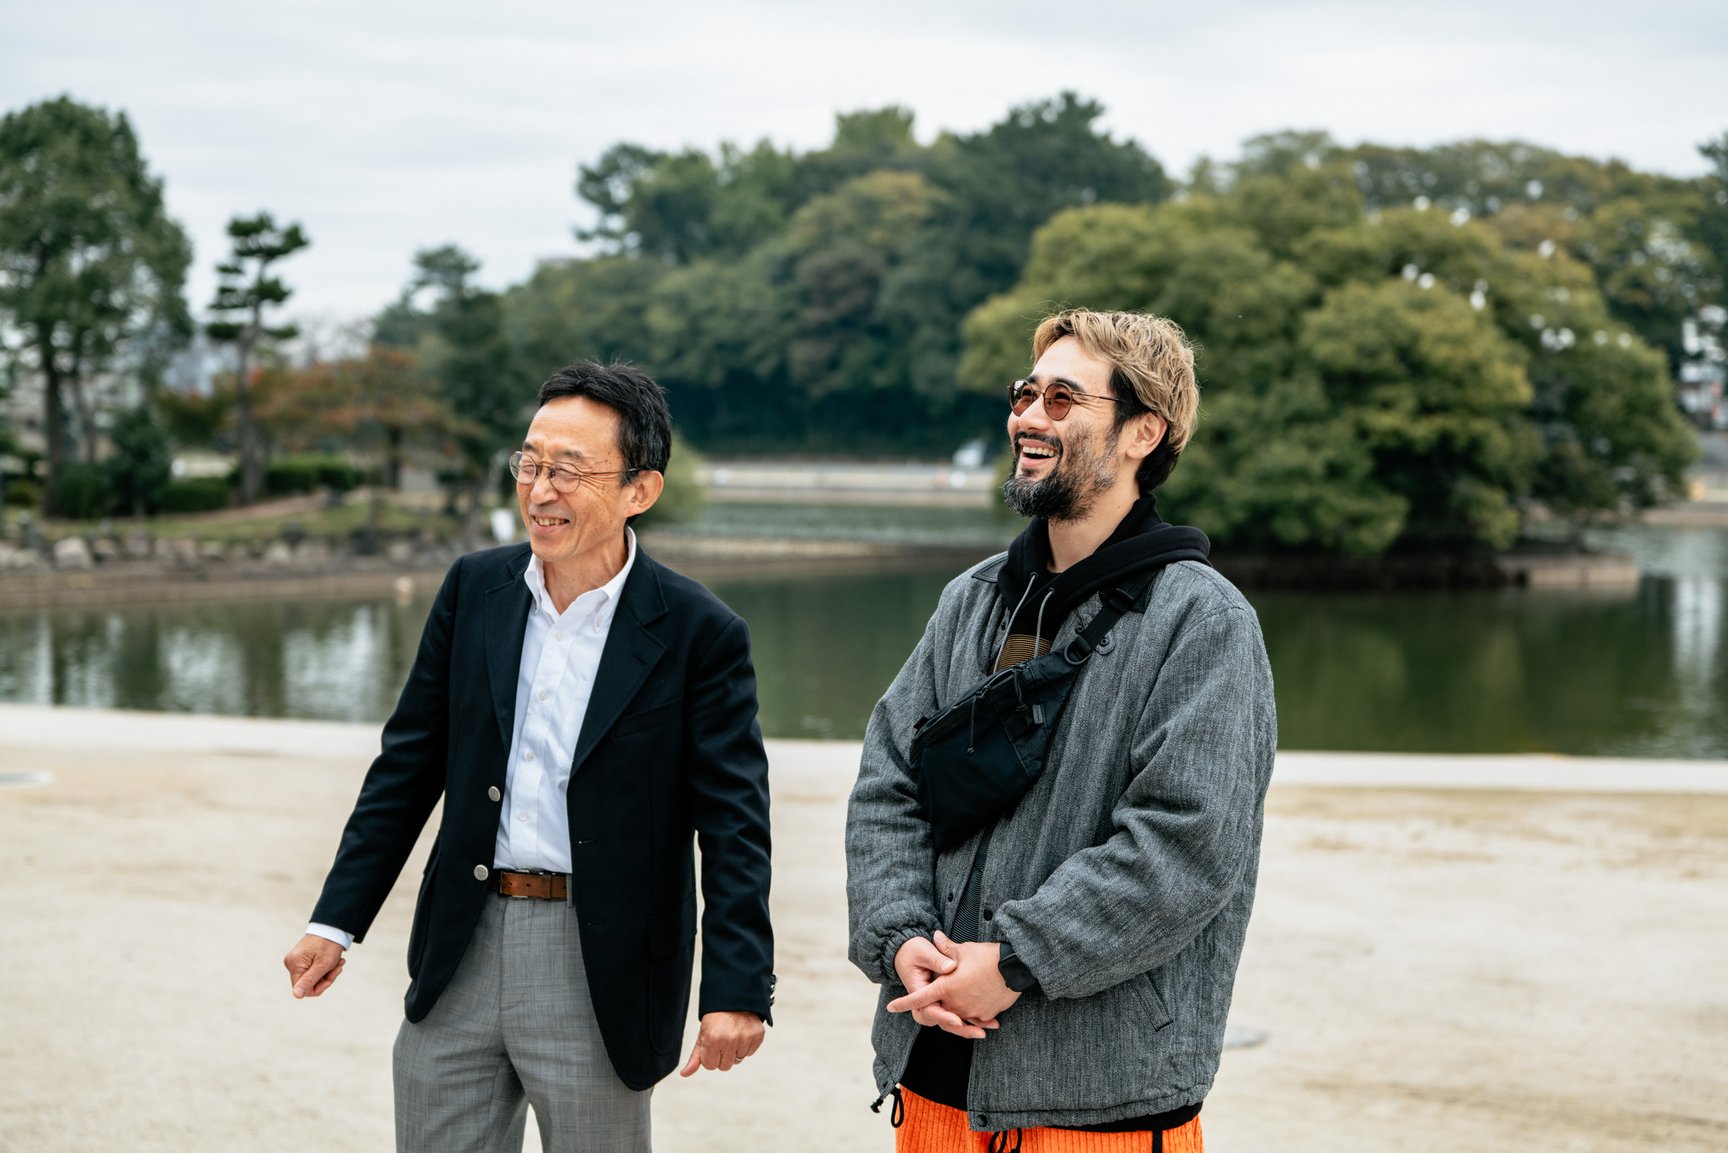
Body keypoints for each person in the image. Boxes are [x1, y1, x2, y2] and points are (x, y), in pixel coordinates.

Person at [283, 361, 774, 1153]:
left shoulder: (697, 631)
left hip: (601, 955)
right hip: (462, 941)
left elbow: (734, 824)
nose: (541, 489)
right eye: (531, 463)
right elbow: (408, 765)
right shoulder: (474, 589)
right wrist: (335, 920)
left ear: (640, 490)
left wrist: (738, 986)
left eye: (570, 470)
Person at [846, 309, 1276, 1150]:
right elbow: (887, 782)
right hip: (931, 1076)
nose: (1029, 417)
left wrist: (1012, 962)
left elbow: (1186, 845)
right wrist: (900, 938)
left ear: (1141, 433)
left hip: (1099, 1097)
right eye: (1025, 393)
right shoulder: (972, 599)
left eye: (1063, 398)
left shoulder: (1206, 622)